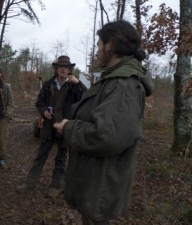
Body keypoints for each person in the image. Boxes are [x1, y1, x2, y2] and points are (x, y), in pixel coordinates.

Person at [53, 20, 154, 225]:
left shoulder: (122, 86)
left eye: (99, 45)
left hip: (101, 187)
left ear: (111, 45)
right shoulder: (112, 81)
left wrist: (69, 127)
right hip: (94, 181)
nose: (97, 51)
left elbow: (105, 136)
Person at [16, 55, 87, 197]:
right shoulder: (48, 84)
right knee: (40, 156)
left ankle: (56, 186)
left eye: (66, 67)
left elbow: (85, 99)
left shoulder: (75, 86)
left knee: (61, 158)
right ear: (56, 69)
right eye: (61, 67)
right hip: (49, 127)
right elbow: (39, 102)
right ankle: (29, 184)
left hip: (65, 127)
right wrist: (43, 112)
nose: (63, 69)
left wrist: (79, 83)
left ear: (69, 70)